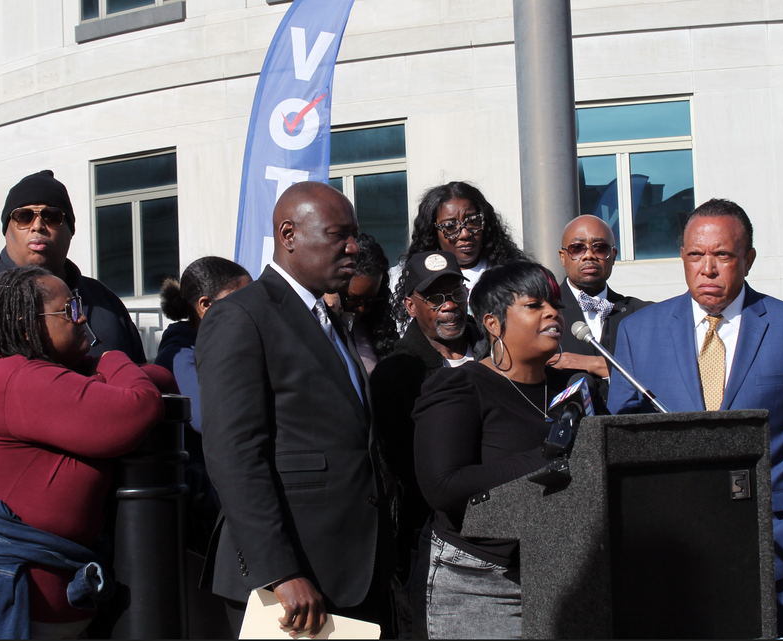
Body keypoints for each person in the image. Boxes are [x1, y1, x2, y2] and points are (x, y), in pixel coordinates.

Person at [606, 198, 783, 639]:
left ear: (748, 259)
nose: (708, 268)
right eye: (696, 255)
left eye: (723, 255)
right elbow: (622, 441)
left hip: (767, 550)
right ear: (682, 257)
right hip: (668, 557)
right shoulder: (639, 333)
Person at [0, 266, 176, 639]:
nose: (81, 317)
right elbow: (138, 408)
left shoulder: (53, 374)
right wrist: (112, 359)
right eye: (68, 310)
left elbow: (160, 379)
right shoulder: (15, 377)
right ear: (25, 321)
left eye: (79, 305)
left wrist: (104, 370)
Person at [196, 181, 389, 637]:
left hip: (353, 568)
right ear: (289, 235)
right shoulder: (241, 316)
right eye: (338, 234)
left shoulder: (328, 318)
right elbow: (234, 453)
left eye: (354, 233)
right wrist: (279, 571)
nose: (353, 247)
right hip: (289, 584)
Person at [413, 261, 572, 639]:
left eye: (556, 306)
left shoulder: (571, 389)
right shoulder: (460, 387)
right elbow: (442, 485)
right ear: (493, 324)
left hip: (560, 571)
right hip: (479, 581)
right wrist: (549, 457)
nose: (552, 313)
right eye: (534, 305)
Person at [0, 170, 146, 441]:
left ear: (70, 230)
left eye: (52, 216)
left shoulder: (104, 301)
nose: (37, 226)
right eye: (23, 216)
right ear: (6, 230)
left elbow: (136, 380)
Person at [369, 249, 482, 636]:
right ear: (410, 305)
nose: (449, 306)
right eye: (435, 298)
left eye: (456, 293)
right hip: (433, 538)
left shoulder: (497, 350)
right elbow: (407, 470)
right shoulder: (396, 375)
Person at [155, 256, 251, 553]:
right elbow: (205, 416)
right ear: (205, 305)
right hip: (206, 506)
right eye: (242, 300)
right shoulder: (179, 354)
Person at [391, 182, 527, 329]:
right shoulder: (403, 276)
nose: (465, 234)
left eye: (473, 222)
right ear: (432, 232)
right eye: (450, 226)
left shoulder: (511, 275)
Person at [554, 215, 650, 404]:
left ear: (613, 256)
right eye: (577, 248)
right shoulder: (542, 314)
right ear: (563, 257)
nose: (589, 255)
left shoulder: (643, 314)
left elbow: (660, 371)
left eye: (600, 248)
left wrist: (597, 364)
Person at [155, 256, 252, 427]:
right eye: (241, 300)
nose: (252, 308)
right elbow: (210, 419)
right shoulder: (177, 358)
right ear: (205, 305)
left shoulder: (234, 347)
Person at [325, 233, 398, 374]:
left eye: (370, 301)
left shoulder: (374, 326)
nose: (362, 309)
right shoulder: (322, 322)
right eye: (353, 300)